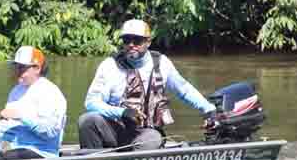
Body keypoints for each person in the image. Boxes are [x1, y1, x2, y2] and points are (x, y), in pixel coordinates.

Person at [77, 19, 217, 151]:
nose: (131, 45)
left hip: (146, 131)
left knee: (150, 140)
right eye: (126, 40)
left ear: (148, 42)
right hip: (115, 129)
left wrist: (209, 110)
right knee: (87, 120)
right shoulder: (109, 65)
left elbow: (184, 90)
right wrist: (123, 112)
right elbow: (91, 103)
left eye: (137, 40)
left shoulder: (162, 63)